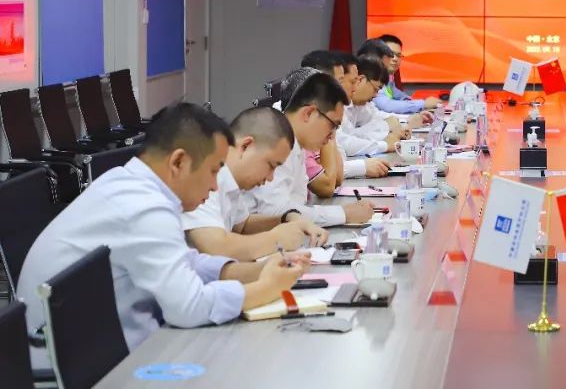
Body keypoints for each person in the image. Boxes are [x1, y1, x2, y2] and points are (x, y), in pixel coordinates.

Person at [17, 103, 308, 367]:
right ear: (178, 162)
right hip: (80, 367)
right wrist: (266, 288)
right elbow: (189, 307)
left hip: (96, 348)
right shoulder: (143, 206)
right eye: (213, 171)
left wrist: (257, 272)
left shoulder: (131, 184)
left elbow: (185, 262)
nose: (215, 186)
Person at [183, 106, 330, 261]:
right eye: (271, 165)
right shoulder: (205, 176)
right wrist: (276, 240)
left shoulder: (231, 180)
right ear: (245, 146)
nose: (271, 177)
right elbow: (217, 248)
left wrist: (287, 218)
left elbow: (242, 226)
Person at [247, 68, 375, 226]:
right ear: (309, 113)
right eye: (333, 125)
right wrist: (344, 214)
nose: (332, 136)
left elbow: (296, 204)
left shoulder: (296, 143)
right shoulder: (276, 140)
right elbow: (276, 211)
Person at [335, 54, 394, 178]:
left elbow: (377, 122)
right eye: (353, 81)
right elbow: (345, 142)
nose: (355, 86)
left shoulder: (355, 103)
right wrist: (385, 144)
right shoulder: (330, 105)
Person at [365, 36, 440, 115]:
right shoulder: (371, 77)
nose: (395, 59)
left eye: (398, 55)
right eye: (390, 54)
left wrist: (417, 102)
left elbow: (398, 95)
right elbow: (387, 105)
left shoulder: (389, 76)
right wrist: (423, 104)